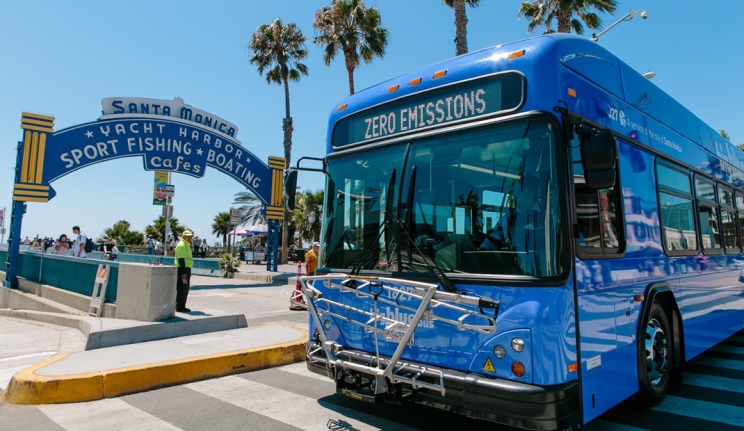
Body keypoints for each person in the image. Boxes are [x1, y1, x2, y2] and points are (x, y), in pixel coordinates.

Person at [174, 230, 194, 312]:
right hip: (183, 269)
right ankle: (179, 306)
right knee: (182, 288)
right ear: (183, 237)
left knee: (185, 288)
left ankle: (181, 305)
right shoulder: (182, 245)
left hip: (186, 269)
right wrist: (183, 273)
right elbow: (181, 260)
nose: (189, 238)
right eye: (187, 236)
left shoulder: (187, 245)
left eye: (190, 236)